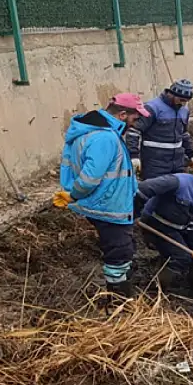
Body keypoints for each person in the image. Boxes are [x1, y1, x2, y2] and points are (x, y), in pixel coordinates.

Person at [52, 93, 149, 299]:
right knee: (119, 253)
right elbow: (90, 178)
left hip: (109, 203)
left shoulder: (99, 131)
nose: (137, 122)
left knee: (125, 249)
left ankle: (124, 288)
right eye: (135, 117)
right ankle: (119, 303)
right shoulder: (104, 137)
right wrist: (74, 195)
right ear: (123, 114)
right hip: (108, 206)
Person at [134, 167, 193, 300]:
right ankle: (154, 292)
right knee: (181, 257)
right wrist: (134, 212)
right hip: (155, 224)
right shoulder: (178, 182)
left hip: (179, 229)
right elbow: (143, 188)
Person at [125, 79, 193, 180]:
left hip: (177, 164)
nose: (183, 104)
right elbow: (134, 132)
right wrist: (134, 156)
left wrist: (191, 156)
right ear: (171, 94)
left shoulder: (184, 110)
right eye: (181, 100)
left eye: (186, 101)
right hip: (154, 165)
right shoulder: (152, 108)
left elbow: (184, 134)